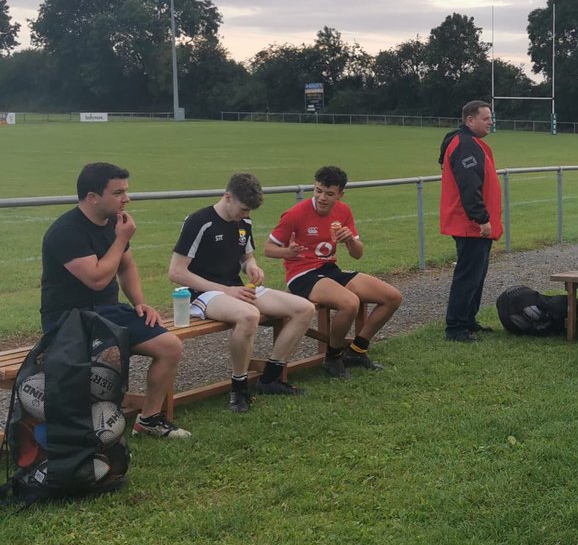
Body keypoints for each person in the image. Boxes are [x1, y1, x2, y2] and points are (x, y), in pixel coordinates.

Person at [40, 162, 189, 439]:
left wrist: (139, 303)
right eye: (118, 192)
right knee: (105, 361)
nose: (126, 199)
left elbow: (126, 267)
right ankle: (84, 429)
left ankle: (149, 419)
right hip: (70, 320)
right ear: (92, 197)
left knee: (170, 346)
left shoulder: (113, 224)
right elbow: (96, 279)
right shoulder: (66, 232)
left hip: (107, 312)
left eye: (126, 191)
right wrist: (120, 240)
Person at [170, 173, 315, 412]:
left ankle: (270, 377)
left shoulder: (244, 223)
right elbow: (176, 272)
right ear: (228, 197)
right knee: (249, 315)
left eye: (250, 212)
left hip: (236, 289)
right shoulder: (199, 221)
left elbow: (246, 257)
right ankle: (238, 388)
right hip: (201, 294)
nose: (246, 215)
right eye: (243, 209)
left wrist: (252, 268)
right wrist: (226, 290)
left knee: (304, 308)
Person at [266, 165, 403, 375]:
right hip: (302, 274)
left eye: (329, 194)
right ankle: (333, 356)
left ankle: (357, 350)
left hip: (329, 269)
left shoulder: (343, 211)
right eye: (318, 191)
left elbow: (357, 254)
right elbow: (268, 249)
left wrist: (349, 240)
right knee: (350, 303)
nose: (322, 198)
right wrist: (287, 252)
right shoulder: (296, 213)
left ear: (340, 194)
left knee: (392, 297)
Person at [438, 101, 502, 343]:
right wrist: (481, 219)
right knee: (468, 275)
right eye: (485, 118)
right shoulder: (465, 145)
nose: (490, 122)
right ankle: (455, 327)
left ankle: (468, 320)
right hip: (470, 225)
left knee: (477, 273)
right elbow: (469, 186)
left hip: (474, 224)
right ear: (469, 120)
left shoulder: (470, 143)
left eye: (490, 118)